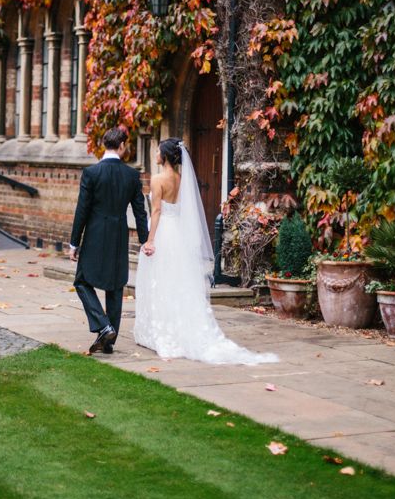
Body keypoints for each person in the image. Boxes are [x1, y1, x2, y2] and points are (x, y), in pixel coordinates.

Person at [134, 138, 278, 365]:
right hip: (177, 234)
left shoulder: (158, 179)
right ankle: (178, 327)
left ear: (165, 155)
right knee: (176, 281)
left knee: (161, 280)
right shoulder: (181, 179)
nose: (156, 153)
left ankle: (161, 331)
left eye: (158, 150)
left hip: (163, 232)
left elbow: (157, 211)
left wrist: (150, 241)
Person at [70, 126, 149, 354]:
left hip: (95, 233)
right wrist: (144, 240)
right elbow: (140, 211)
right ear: (122, 146)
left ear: (105, 145)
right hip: (118, 235)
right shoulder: (132, 175)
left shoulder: (92, 173)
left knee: (82, 281)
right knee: (115, 286)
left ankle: (104, 327)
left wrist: (74, 242)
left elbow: (82, 210)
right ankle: (109, 340)